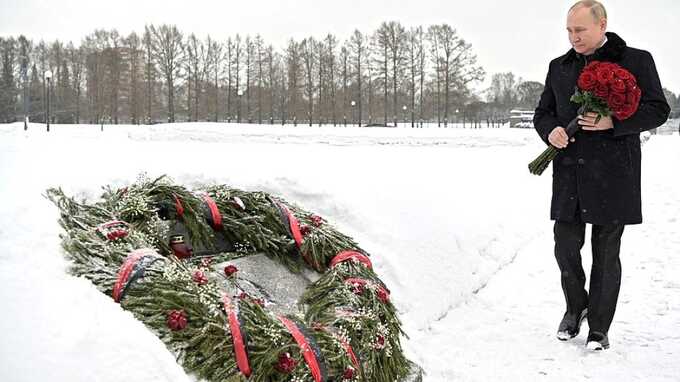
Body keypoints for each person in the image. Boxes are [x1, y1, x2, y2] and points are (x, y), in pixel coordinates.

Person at [533, 0, 670, 351]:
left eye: (579, 30)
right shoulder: (558, 67)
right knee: (565, 245)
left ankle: (599, 327)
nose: (573, 37)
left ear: (602, 25)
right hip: (570, 172)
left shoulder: (636, 60)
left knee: (606, 252)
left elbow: (658, 109)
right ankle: (575, 307)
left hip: (614, 173)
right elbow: (543, 113)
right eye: (569, 30)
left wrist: (615, 121)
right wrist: (551, 132)